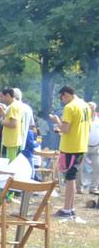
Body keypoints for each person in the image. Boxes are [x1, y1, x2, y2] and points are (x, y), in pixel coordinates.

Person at [51, 86, 93, 221]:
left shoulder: (70, 107)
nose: (62, 101)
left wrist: (57, 121)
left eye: (62, 97)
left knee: (69, 179)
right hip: (81, 145)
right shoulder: (85, 105)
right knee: (72, 177)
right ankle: (70, 208)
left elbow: (65, 129)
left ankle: (67, 209)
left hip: (71, 147)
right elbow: (88, 126)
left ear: (66, 95)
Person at [0, 87, 23, 161]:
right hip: (9, 141)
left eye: (2, 96)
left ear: (8, 96)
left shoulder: (13, 106)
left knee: (10, 167)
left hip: (11, 143)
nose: (1, 99)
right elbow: (10, 119)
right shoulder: (15, 105)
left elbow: (13, 124)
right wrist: (2, 113)